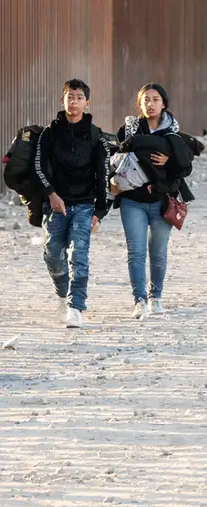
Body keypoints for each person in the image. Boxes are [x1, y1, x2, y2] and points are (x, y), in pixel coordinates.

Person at [111, 84, 197, 319]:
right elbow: (111, 157)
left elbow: (185, 167)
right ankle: (139, 300)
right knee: (135, 252)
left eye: (155, 99)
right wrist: (112, 182)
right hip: (132, 201)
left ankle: (155, 297)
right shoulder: (128, 130)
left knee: (158, 253)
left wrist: (169, 161)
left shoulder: (173, 134)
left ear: (163, 104)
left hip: (162, 201)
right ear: (139, 103)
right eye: (146, 99)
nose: (150, 104)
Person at [33, 79, 110, 328]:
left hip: (85, 204)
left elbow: (104, 174)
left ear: (87, 103)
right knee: (53, 255)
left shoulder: (96, 136)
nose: (73, 101)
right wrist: (51, 194)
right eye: (70, 96)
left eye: (78, 97)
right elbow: (39, 166)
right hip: (55, 204)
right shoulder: (49, 133)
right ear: (62, 100)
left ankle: (76, 307)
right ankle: (62, 294)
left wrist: (99, 211)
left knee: (79, 256)